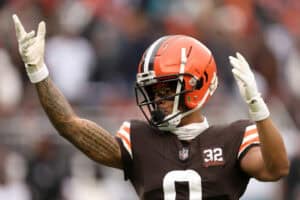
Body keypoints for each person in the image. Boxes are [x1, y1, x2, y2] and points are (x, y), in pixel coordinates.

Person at [12, 14, 289, 200]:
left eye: (166, 88)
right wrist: (38, 73)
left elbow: (276, 168)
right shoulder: (140, 138)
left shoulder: (233, 137)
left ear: (197, 85)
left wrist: (257, 107)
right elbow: (70, 125)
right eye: (152, 90)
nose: (157, 98)